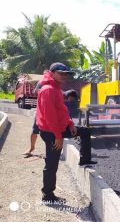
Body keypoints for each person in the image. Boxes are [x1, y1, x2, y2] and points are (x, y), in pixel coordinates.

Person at [36, 62, 96, 202]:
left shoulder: (56, 88)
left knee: (85, 132)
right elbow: (49, 116)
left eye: (65, 74)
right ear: (52, 73)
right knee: (52, 163)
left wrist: (70, 123)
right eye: (61, 73)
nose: (64, 76)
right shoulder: (48, 90)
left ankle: (85, 160)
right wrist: (58, 136)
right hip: (51, 132)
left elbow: (61, 110)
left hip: (60, 129)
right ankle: (47, 195)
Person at [24, 79, 44, 156]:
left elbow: (35, 92)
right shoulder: (42, 82)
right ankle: (32, 148)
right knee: (35, 130)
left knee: (36, 131)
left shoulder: (42, 82)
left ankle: (32, 148)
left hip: (46, 112)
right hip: (41, 111)